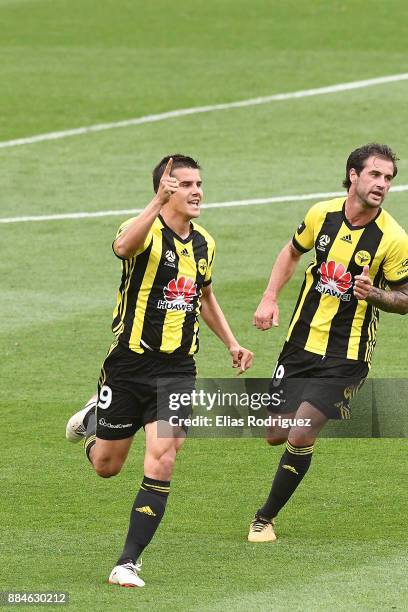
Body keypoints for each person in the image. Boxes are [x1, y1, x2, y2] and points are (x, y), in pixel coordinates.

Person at [65, 154, 253, 586]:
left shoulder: (204, 242)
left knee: (164, 457)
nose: (197, 191)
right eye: (185, 184)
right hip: (129, 364)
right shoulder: (143, 230)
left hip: (178, 369)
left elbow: (204, 297)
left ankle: (128, 562)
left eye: (199, 183)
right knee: (107, 466)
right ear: (165, 189)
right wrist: (154, 204)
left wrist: (232, 342)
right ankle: (95, 419)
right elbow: (121, 248)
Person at [248, 143, 408, 543]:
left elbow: (406, 298)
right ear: (353, 175)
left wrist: (377, 295)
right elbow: (291, 252)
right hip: (300, 342)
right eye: (375, 174)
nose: (382, 184)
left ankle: (264, 518)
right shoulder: (321, 214)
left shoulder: (392, 238)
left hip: (347, 354)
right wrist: (269, 297)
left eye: (388, 178)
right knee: (274, 433)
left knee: (301, 432)